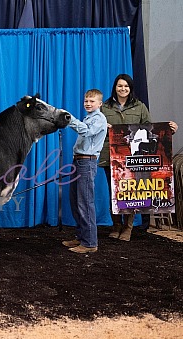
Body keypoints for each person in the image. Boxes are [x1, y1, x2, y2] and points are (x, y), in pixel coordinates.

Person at [99, 74, 178, 241]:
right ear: (115, 87)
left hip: (134, 158)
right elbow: (93, 128)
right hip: (110, 156)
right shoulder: (104, 107)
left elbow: (151, 130)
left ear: (130, 88)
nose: (123, 89)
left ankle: (127, 228)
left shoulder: (139, 107)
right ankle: (116, 226)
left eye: (126, 86)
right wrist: (100, 126)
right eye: (120, 86)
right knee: (114, 192)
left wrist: (169, 130)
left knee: (130, 192)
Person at [62, 89, 107, 254]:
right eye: (86, 101)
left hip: (87, 162)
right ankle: (81, 236)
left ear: (100, 104)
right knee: (76, 201)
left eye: (92, 101)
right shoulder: (89, 118)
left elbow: (86, 132)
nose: (88, 104)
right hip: (79, 160)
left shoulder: (99, 119)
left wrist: (70, 119)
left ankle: (89, 243)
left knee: (85, 202)